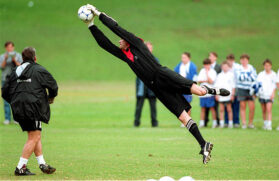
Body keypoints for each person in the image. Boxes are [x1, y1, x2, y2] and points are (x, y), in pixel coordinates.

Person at [83, 4, 230, 164]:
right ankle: (204, 145)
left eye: (121, 39)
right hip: (157, 88)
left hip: (163, 74)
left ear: (127, 40)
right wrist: (90, 25)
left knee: (200, 92)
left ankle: (208, 89)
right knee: (182, 117)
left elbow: (116, 27)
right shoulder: (124, 55)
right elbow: (105, 44)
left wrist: (98, 14)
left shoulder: (137, 44)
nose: (119, 41)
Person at [2, 47, 58, 175]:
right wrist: (51, 97)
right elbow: (53, 85)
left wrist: (16, 101)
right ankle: (20, 167)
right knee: (34, 136)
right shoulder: (39, 70)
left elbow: (5, 91)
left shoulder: (14, 71)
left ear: (22, 59)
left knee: (34, 135)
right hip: (34, 107)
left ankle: (42, 164)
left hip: (18, 108)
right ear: (35, 58)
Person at [134, 41, 158, 127]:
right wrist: (137, 88)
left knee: (153, 107)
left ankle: (154, 123)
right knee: (139, 106)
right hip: (142, 86)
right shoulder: (139, 59)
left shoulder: (155, 60)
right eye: (148, 48)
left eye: (150, 48)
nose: (149, 49)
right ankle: (136, 123)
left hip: (152, 87)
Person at [0, 41, 22, 124]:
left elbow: (20, 66)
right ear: (6, 48)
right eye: (8, 47)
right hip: (5, 79)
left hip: (15, 79)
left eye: (11, 47)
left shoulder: (18, 55)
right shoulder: (2, 56)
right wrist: (5, 59)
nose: (10, 49)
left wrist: (14, 60)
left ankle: (16, 118)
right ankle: (7, 118)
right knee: (6, 98)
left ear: (13, 47)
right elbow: (1, 67)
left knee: (15, 99)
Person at [235, 54, 257, 129]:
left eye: (246, 60)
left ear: (248, 60)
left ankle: (250, 123)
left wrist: (245, 76)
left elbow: (254, 77)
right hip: (241, 89)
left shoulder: (251, 68)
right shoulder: (238, 68)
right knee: (242, 106)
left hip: (250, 89)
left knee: (252, 107)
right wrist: (248, 75)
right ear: (240, 60)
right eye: (243, 60)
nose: (244, 61)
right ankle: (244, 123)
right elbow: (239, 77)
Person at [256, 59, 277, 130]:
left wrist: (273, 93)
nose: (267, 67)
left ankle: (269, 124)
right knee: (263, 110)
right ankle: (265, 123)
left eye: (268, 65)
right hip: (262, 94)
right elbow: (258, 84)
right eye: (265, 65)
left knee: (268, 109)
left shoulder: (273, 74)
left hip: (269, 94)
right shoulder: (261, 74)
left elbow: (275, 85)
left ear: (270, 66)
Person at [197, 58, 218, 128]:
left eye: (207, 65)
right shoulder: (202, 71)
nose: (206, 66)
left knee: (212, 108)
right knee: (203, 108)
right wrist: (205, 80)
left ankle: (215, 122)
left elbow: (211, 81)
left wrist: (207, 74)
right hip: (202, 93)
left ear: (210, 65)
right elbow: (199, 80)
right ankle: (202, 123)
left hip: (210, 92)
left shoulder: (213, 72)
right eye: (205, 65)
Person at [214, 61, 235, 128]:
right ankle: (222, 123)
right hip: (221, 95)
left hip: (229, 95)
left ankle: (230, 123)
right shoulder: (219, 75)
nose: (225, 68)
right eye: (223, 67)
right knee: (221, 109)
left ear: (228, 67)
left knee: (229, 109)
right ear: (222, 67)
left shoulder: (231, 75)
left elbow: (233, 86)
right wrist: (217, 95)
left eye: (226, 66)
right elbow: (217, 86)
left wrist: (232, 95)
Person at [204, 52, 221, 127]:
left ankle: (217, 121)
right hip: (208, 90)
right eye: (209, 56)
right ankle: (205, 121)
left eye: (212, 56)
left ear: (215, 57)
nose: (210, 57)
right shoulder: (206, 67)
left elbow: (219, 79)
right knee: (206, 107)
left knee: (214, 107)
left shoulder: (218, 67)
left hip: (215, 88)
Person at [225, 54, 240, 127]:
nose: (230, 62)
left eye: (231, 60)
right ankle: (227, 121)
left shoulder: (237, 67)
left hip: (235, 88)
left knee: (236, 106)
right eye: (229, 60)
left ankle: (236, 121)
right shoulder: (225, 67)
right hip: (227, 89)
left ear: (233, 60)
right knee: (226, 106)